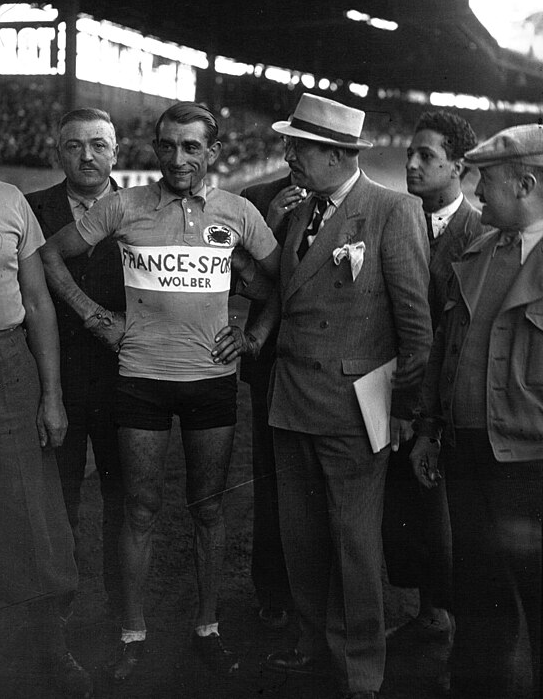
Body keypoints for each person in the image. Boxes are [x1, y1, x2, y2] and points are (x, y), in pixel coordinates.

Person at [40, 101, 281, 681]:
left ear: (212, 153)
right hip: (142, 379)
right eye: (167, 146)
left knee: (208, 508)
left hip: (212, 383)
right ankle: (132, 633)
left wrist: (253, 339)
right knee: (140, 510)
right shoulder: (125, 205)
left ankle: (207, 627)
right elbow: (48, 255)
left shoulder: (238, 211)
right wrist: (98, 318)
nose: (178, 158)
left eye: (192, 147)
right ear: (154, 148)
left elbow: (283, 284)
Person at [221, 93, 433, 699]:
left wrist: (398, 414)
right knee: (302, 538)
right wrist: (233, 262)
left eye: (300, 148)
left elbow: (417, 331)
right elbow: (287, 291)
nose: (288, 156)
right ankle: (313, 644)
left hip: (353, 407)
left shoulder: (392, 212)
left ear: (338, 156)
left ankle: (361, 670)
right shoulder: (297, 211)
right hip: (291, 401)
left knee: (354, 545)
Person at [0, 80, 92, 697]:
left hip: (8, 367)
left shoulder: (10, 201)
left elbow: (38, 302)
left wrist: (52, 395)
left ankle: (51, 647)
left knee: (30, 509)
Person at [411, 123, 543, 699]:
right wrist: (429, 430)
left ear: (526, 184)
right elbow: (447, 351)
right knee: (478, 594)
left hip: (531, 466)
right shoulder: (477, 249)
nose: (478, 192)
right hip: (466, 455)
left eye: (486, 182)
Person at [383, 111, 488, 646]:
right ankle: (427, 611)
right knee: (406, 507)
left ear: (460, 167)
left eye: (427, 155)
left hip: (444, 399)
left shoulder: (481, 234)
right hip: (388, 390)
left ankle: (449, 620)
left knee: (446, 512)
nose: (413, 163)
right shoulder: (389, 217)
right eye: (410, 153)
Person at [26, 108, 125, 618]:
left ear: (116, 151)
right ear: (57, 152)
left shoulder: (140, 209)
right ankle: (58, 609)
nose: (87, 155)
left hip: (124, 382)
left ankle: (120, 606)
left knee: (125, 501)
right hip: (55, 379)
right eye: (74, 145)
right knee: (57, 500)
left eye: (98, 145)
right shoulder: (30, 208)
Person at [237, 173, 303, 628]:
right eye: (290, 144)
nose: (295, 154)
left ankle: (323, 595)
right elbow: (239, 283)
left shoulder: (357, 200)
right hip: (271, 360)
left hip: (329, 367)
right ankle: (273, 590)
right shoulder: (257, 198)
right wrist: (268, 224)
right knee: (271, 481)